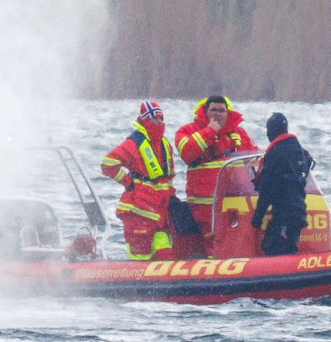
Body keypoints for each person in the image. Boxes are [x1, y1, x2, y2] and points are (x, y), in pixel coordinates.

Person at [174, 95, 256, 257]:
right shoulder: (187, 131)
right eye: (213, 110)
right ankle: (215, 275)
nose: (218, 114)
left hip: (236, 200)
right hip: (205, 202)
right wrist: (210, 131)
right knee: (213, 238)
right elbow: (187, 153)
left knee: (240, 238)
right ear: (205, 112)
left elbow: (253, 160)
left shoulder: (238, 133)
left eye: (222, 111)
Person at [100, 101, 179, 262]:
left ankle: (168, 286)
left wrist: (172, 198)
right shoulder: (133, 143)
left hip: (160, 212)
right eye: (154, 118)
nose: (158, 122)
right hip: (138, 212)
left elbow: (168, 178)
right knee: (140, 260)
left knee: (166, 256)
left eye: (160, 118)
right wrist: (128, 182)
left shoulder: (165, 145)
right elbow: (107, 164)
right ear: (144, 120)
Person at [250, 112, 312, 256]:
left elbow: (267, 189)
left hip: (285, 214)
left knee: (272, 247)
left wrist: (257, 218)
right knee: (289, 248)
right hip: (299, 211)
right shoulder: (300, 151)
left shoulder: (276, 153)